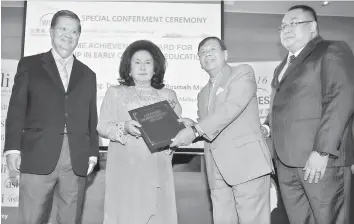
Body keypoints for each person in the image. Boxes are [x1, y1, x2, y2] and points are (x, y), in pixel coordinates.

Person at [4, 10, 99, 224]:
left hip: (76, 157)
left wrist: (92, 153)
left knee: (69, 219)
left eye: (74, 31)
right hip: (38, 153)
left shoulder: (88, 74)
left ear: (78, 37)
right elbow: (16, 109)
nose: (68, 34)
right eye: (63, 29)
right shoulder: (30, 65)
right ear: (51, 32)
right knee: (31, 219)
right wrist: (12, 148)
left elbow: (92, 117)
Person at [262, 5, 354, 224]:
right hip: (286, 163)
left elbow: (340, 99)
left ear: (313, 27)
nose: (286, 29)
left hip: (320, 161)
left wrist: (322, 151)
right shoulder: (282, 66)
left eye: (294, 23)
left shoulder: (332, 50)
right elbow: (282, 108)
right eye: (283, 26)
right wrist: (266, 127)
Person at [170, 37, 274, 224]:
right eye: (202, 52)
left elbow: (231, 108)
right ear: (199, 62)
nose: (207, 53)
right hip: (216, 170)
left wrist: (195, 129)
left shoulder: (242, 72)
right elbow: (209, 126)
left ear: (225, 54)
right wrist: (190, 125)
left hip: (246, 164)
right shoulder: (202, 93)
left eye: (212, 49)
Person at [97, 40, 181, 224]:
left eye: (148, 62)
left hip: (158, 165)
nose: (142, 67)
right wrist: (124, 127)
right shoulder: (116, 92)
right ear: (128, 68)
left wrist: (179, 131)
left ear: (155, 68)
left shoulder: (168, 95)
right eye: (137, 62)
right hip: (126, 167)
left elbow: (175, 132)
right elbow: (102, 125)